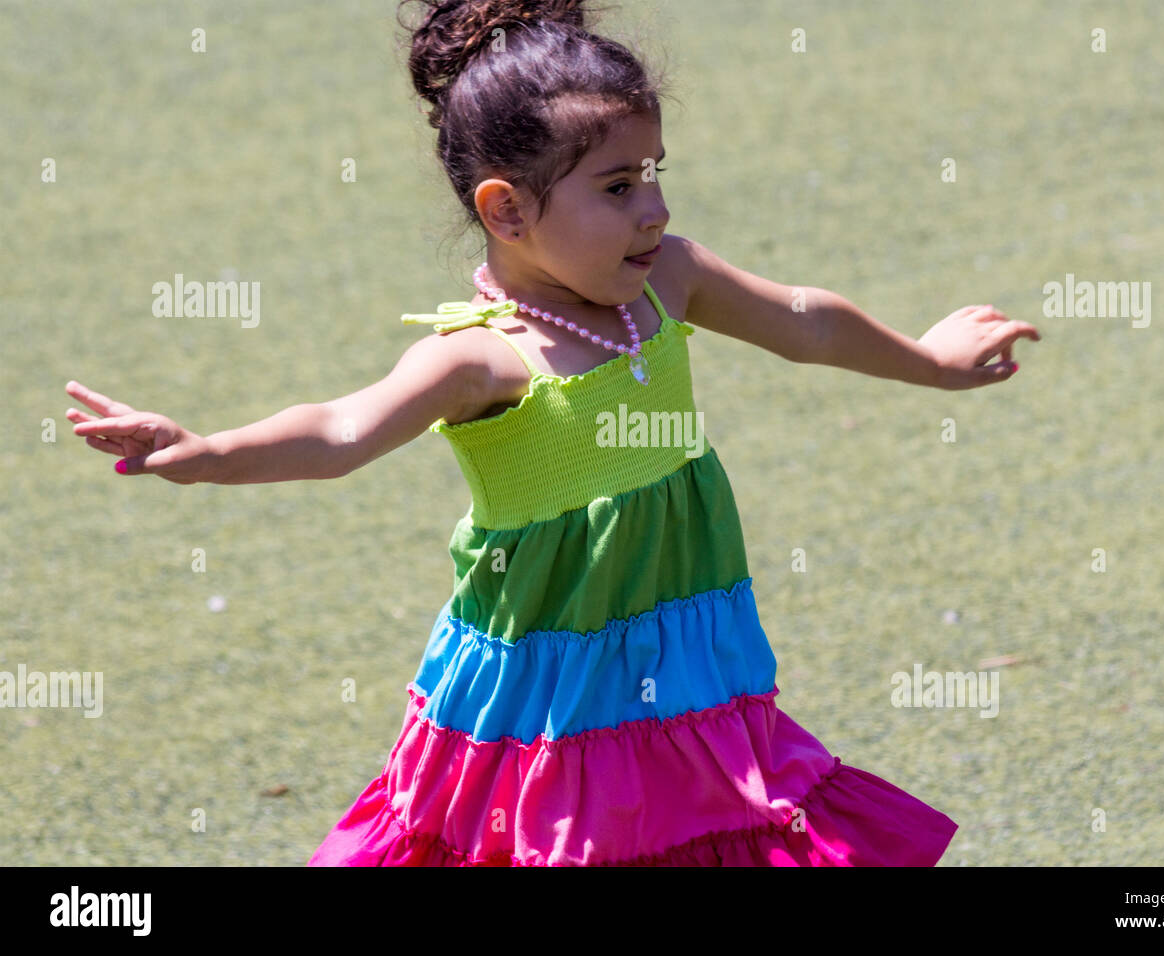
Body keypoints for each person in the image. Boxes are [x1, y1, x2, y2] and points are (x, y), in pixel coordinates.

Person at [65, 0, 1040, 865]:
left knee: (710, 823)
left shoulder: (667, 282)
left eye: (654, 175)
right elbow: (338, 430)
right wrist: (201, 452)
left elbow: (802, 319)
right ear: (508, 208)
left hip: (687, 649)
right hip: (545, 694)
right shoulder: (482, 360)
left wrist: (930, 358)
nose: (653, 207)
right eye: (616, 187)